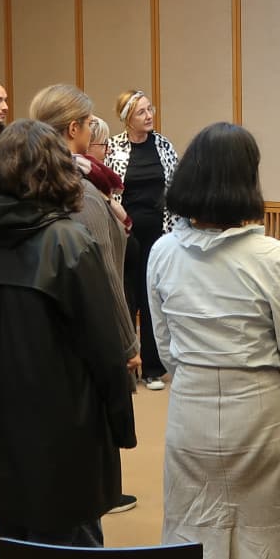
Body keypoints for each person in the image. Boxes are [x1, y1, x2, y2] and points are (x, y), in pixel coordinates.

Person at [0, 120, 138, 559]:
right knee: (73, 536)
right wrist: (122, 425)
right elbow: (104, 349)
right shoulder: (68, 241)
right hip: (65, 418)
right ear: (56, 170)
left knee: (9, 535)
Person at [148, 123, 280, 559]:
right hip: (262, 409)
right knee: (254, 549)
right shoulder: (271, 257)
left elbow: (164, 347)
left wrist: (196, 380)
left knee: (203, 549)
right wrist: (279, 397)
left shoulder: (163, 253)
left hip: (192, 408)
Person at [29, 85, 142, 514]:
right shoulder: (77, 188)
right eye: (89, 124)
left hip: (45, 326)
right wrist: (127, 342)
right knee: (90, 421)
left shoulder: (33, 176)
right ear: (74, 127)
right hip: (85, 327)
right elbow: (105, 272)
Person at [106, 90, 179, 390]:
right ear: (126, 118)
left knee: (153, 299)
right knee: (125, 297)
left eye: (150, 110)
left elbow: (176, 186)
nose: (149, 116)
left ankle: (152, 366)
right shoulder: (112, 147)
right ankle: (126, 366)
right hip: (124, 234)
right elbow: (107, 190)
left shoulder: (163, 145)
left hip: (158, 234)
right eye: (141, 112)